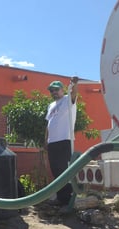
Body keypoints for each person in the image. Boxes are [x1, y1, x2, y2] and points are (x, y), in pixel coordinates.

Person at [45, 77, 79, 206]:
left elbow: (74, 93)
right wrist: (46, 141)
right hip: (52, 142)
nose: (53, 92)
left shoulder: (67, 100)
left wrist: (74, 84)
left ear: (62, 90)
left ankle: (68, 199)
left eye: (56, 90)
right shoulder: (51, 105)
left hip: (64, 140)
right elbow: (48, 124)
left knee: (65, 170)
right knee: (56, 171)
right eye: (51, 90)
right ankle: (60, 198)